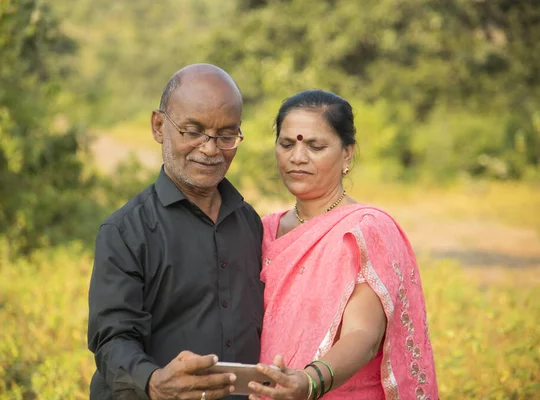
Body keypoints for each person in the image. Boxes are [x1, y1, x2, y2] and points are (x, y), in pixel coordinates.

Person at [87, 64, 265, 400]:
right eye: (193, 131)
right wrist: (154, 382)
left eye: (226, 135)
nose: (211, 149)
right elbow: (112, 339)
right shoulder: (125, 231)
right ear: (158, 125)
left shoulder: (250, 223)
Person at [247, 90, 438, 399]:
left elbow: (364, 335)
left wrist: (309, 382)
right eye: (286, 144)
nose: (297, 157)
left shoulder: (365, 229)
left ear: (347, 154)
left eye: (315, 146)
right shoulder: (264, 229)